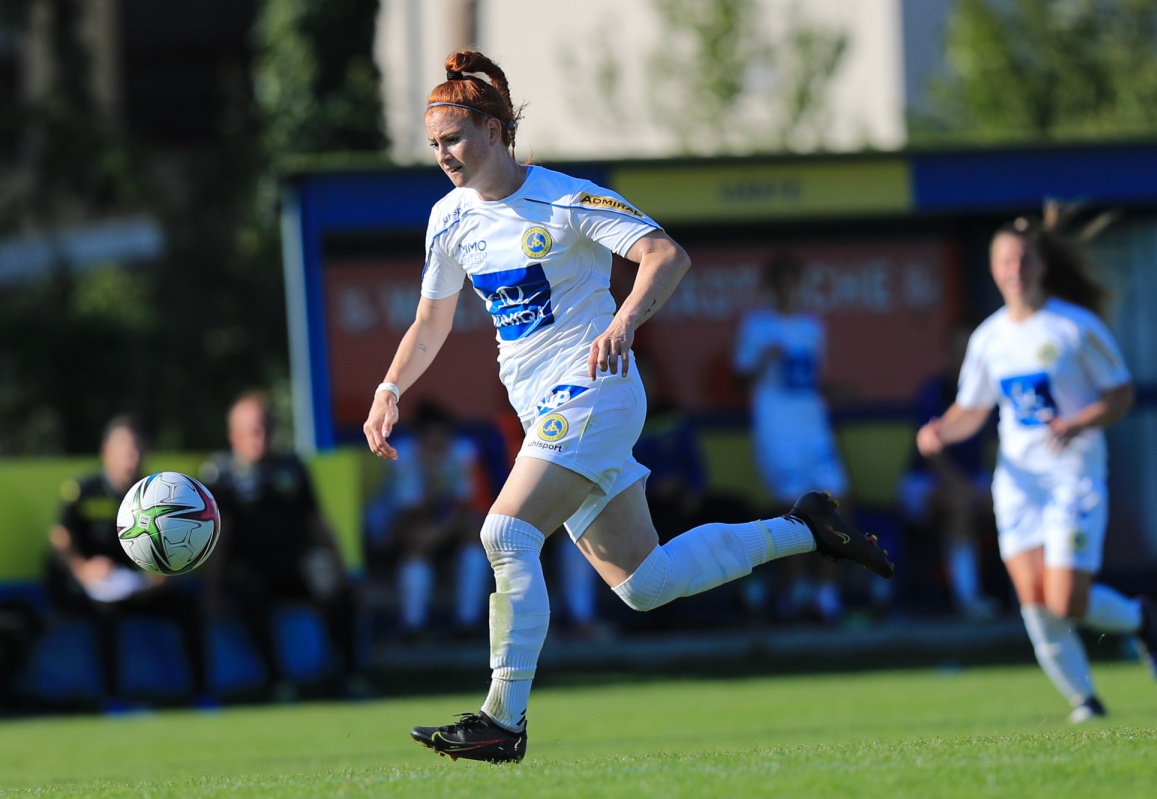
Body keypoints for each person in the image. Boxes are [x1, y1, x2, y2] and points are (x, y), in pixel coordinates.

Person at [362, 50, 893, 764]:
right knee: (646, 583)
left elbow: (666, 256)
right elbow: (430, 322)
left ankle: (502, 719)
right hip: (548, 411)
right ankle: (807, 529)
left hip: (594, 393)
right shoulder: (449, 219)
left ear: (493, 130)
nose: (443, 156)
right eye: (434, 145)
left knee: (506, 533)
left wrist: (625, 320)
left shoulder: (565, 199)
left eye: (453, 139)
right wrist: (390, 388)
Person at [915, 210, 1157, 724]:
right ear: (993, 269)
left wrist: (1078, 422)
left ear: (1041, 265)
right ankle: (1086, 702)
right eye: (1006, 261)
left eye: (1025, 259)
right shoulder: (988, 338)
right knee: (1034, 603)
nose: (1016, 270)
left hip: (1073, 477)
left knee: (1065, 600)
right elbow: (973, 409)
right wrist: (940, 430)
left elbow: (1121, 395)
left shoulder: (1075, 326)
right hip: (1018, 484)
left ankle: (1139, 618)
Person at [201, 391, 369, 702]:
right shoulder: (220, 474)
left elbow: (316, 521)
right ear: (234, 435)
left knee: (333, 583)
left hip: (297, 561)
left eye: (266, 427)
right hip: (252, 567)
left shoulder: (292, 466)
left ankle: (348, 675)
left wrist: (344, 569)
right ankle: (277, 682)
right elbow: (219, 537)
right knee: (250, 590)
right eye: (253, 430)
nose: (261, 436)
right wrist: (212, 588)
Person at [45, 414, 215, 712]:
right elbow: (61, 538)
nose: (131, 456)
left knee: (188, 608)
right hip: (94, 589)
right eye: (124, 448)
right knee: (107, 613)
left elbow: (175, 546)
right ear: (105, 452)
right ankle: (114, 700)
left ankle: (203, 696)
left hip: (140, 587)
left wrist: (163, 578)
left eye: (137, 448)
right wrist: (83, 569)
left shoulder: (158, 494)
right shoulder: (85, 490)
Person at [733, 251, 854, 624]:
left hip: (813, 427)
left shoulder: (812, 327)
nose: (787, 290)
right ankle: (793, 593)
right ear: (770, 287)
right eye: (780, 283)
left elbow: (811, 380)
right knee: (794, 512)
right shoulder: (757, 326)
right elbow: (740, 381)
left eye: (792, 282)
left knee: (838, 502)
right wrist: (763, 358)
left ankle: (826, 594)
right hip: (776, 430)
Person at [362, 397, 491, 638]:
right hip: (390, 531)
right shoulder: (401, 455)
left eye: (443, 435)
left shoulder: (461, 451)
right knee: (417, 545)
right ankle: (413, 627)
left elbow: (466, 505)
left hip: (439, 528)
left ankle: (467, 623)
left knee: (475, 541)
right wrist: (433, 481)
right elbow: (411, 514)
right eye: (431, 435)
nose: (438, 442)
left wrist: (439, 533)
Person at [897, 318, 999, 620]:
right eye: (958, 351)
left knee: (1010, 505)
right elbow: (932, 454)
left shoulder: (991, 393)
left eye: (970, 352)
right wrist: (966, 490)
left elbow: (998, 448)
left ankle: (1027, 598)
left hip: (974, 479)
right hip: (922, 482)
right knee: (958, 505)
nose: (964, 359)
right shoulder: (932, 391)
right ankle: (968, 599)